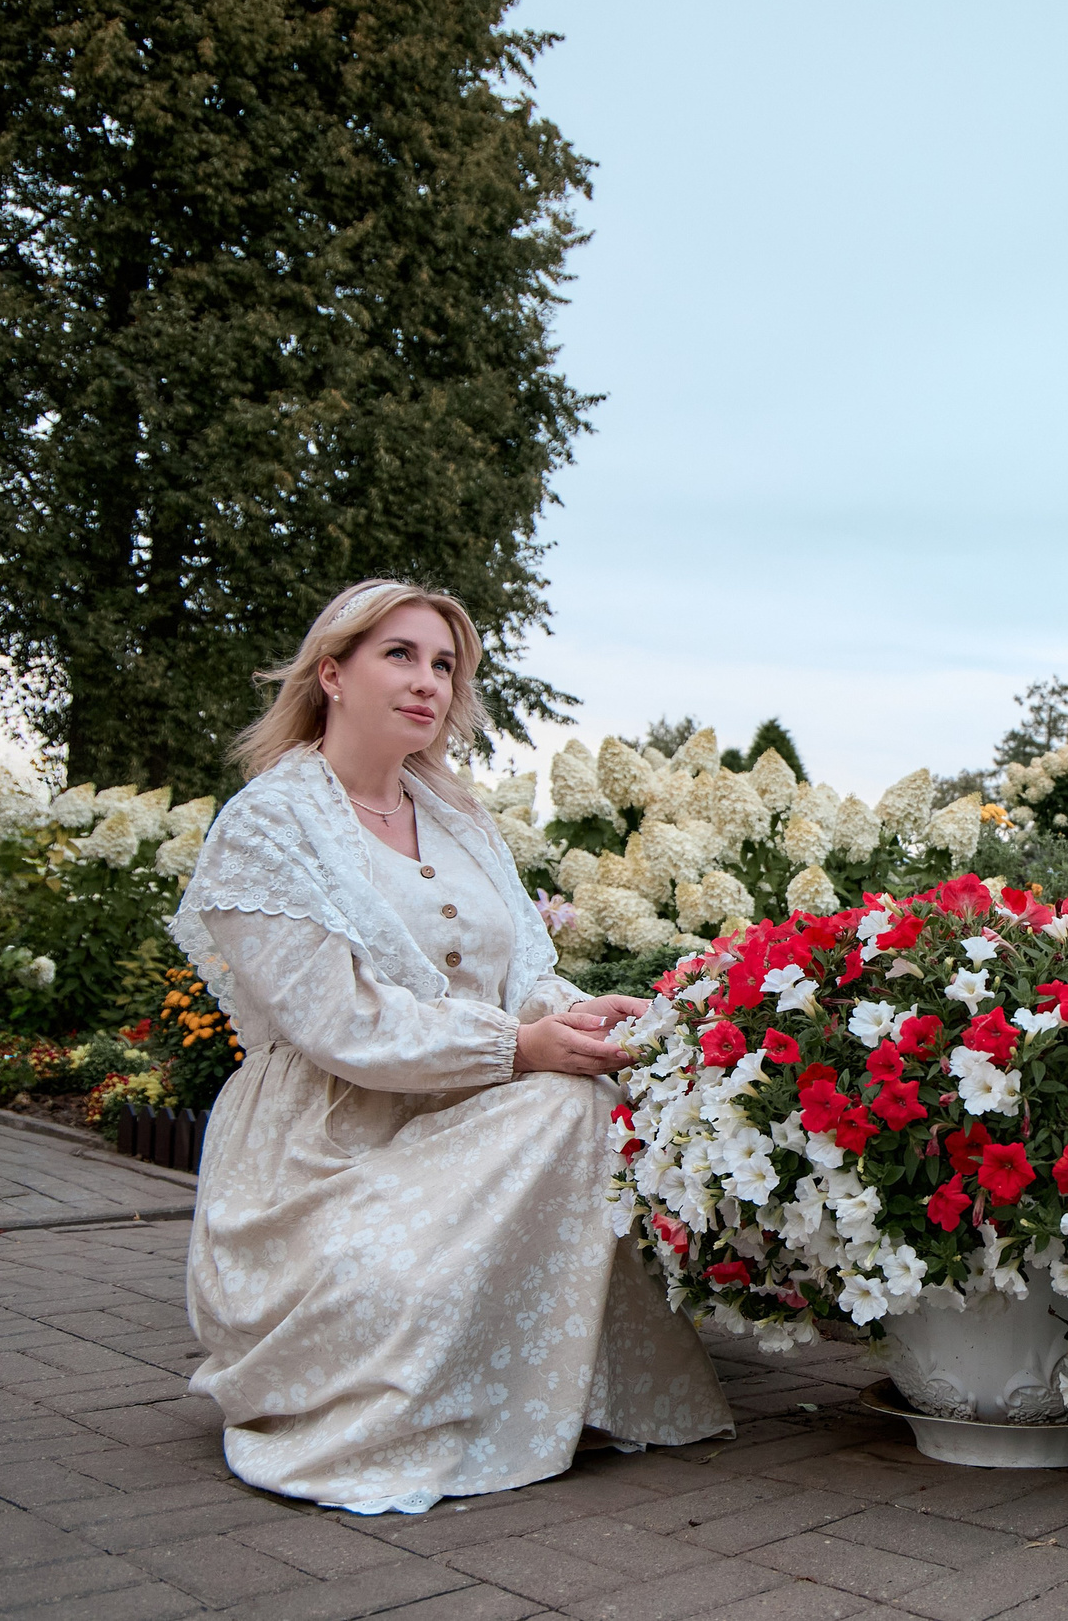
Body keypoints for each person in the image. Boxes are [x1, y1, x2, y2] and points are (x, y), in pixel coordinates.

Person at [171, 579, 731, 1514]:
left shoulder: (456, 817)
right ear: (332, 673)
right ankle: (428, 1376)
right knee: (559, 1099)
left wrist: (585, 1018)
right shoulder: (268, 826)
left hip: (465, 1112)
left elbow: (521, 980)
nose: (428, 680)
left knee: (583, 1092)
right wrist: (523, 1047)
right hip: (324, 1145)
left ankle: (536, 1385)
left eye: (444, 664)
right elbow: (341, 1025)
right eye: (399, 654)